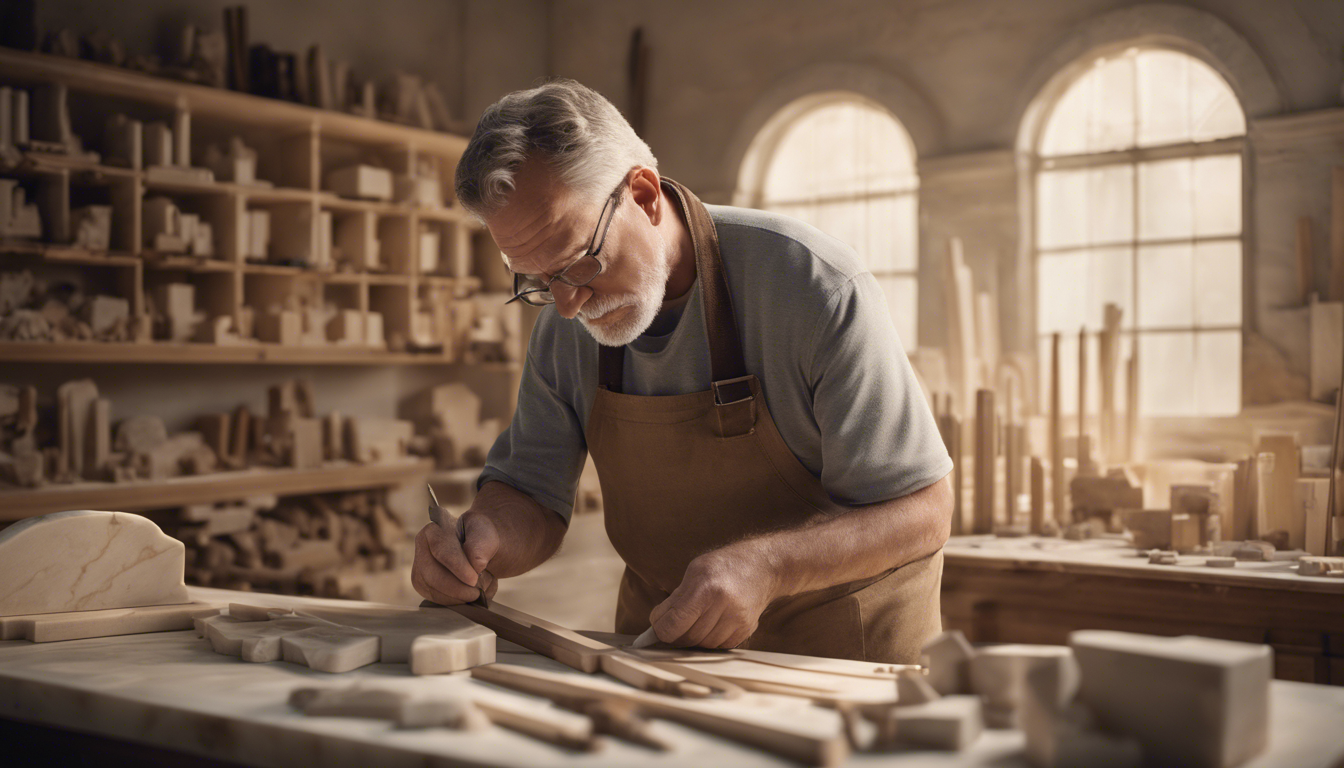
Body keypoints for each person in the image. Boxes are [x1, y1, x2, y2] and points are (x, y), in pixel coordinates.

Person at [411, 80, 953, 662]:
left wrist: (766, 567)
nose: (568, 305)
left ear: (643, 194)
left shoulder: (810, 285)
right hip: (667, 650)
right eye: (538, 282)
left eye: (578, 263)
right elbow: (531, 492)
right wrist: (490, 538)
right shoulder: (565, 320)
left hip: (840, 652)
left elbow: (922, 510)